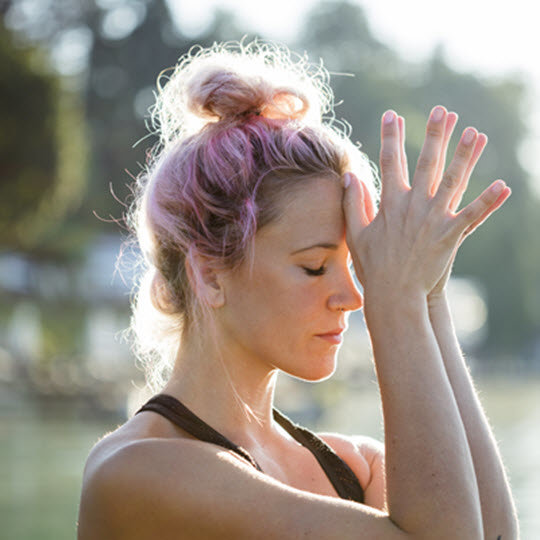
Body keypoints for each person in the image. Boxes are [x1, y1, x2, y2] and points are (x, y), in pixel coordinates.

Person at [77, 41, 519, 539]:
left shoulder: (356, 469)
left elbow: (495, 534)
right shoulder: (138, 470)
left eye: (356, 266)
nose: (355, 297)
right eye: (314, 266)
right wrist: (396, 306)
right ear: (210, 274)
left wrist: (427, 293)